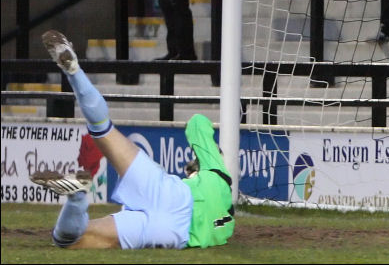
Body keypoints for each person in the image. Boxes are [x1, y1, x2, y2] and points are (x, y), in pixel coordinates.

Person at [30, 30, 235, 249]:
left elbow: (197, 123)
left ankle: (74, 72)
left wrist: (204, 147)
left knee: (103, 129)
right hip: (173, 232)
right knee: (68, 241)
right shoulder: (226, 226)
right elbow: (218, 232)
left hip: (170, 193)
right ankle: (76, 198)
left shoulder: (216, 172)